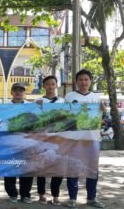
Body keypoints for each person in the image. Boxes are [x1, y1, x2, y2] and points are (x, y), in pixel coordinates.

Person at [64, 69, 105, 208]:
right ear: (76, 82)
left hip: (92, 139)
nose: (83, 82)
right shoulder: (69, 96)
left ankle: (91, 198)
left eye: (86, 79)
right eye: (80, 79)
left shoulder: (96, 98)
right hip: (73, 139)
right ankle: (72, 198)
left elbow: (101, 118)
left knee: (92, 169)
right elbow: (63, 115)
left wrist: (103, 112)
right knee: (73, 168)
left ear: (90, 81)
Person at [35, 75, 65, 206]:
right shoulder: (38, 101)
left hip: (59, 139)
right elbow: (33, 120)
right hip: (42, 139)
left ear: (56, 85)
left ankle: (55, 195)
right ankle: (41, 195)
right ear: (44, 86)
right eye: (47, 84)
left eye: (53, 84)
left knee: (58, 169)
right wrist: (37, 108)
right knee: (41, 168)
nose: (50, 86)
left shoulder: (63, 102)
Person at [4, 83, 33, 204]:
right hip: (10, 143)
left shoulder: (31, 107)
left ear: (24, 93)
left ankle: (25, 194)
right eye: (15, 90)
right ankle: (12, 194)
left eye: (21, 90)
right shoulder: (4, 107)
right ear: (11, 92)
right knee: (10, 168)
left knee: (26, 169)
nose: (18, 92)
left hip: (26, 142)